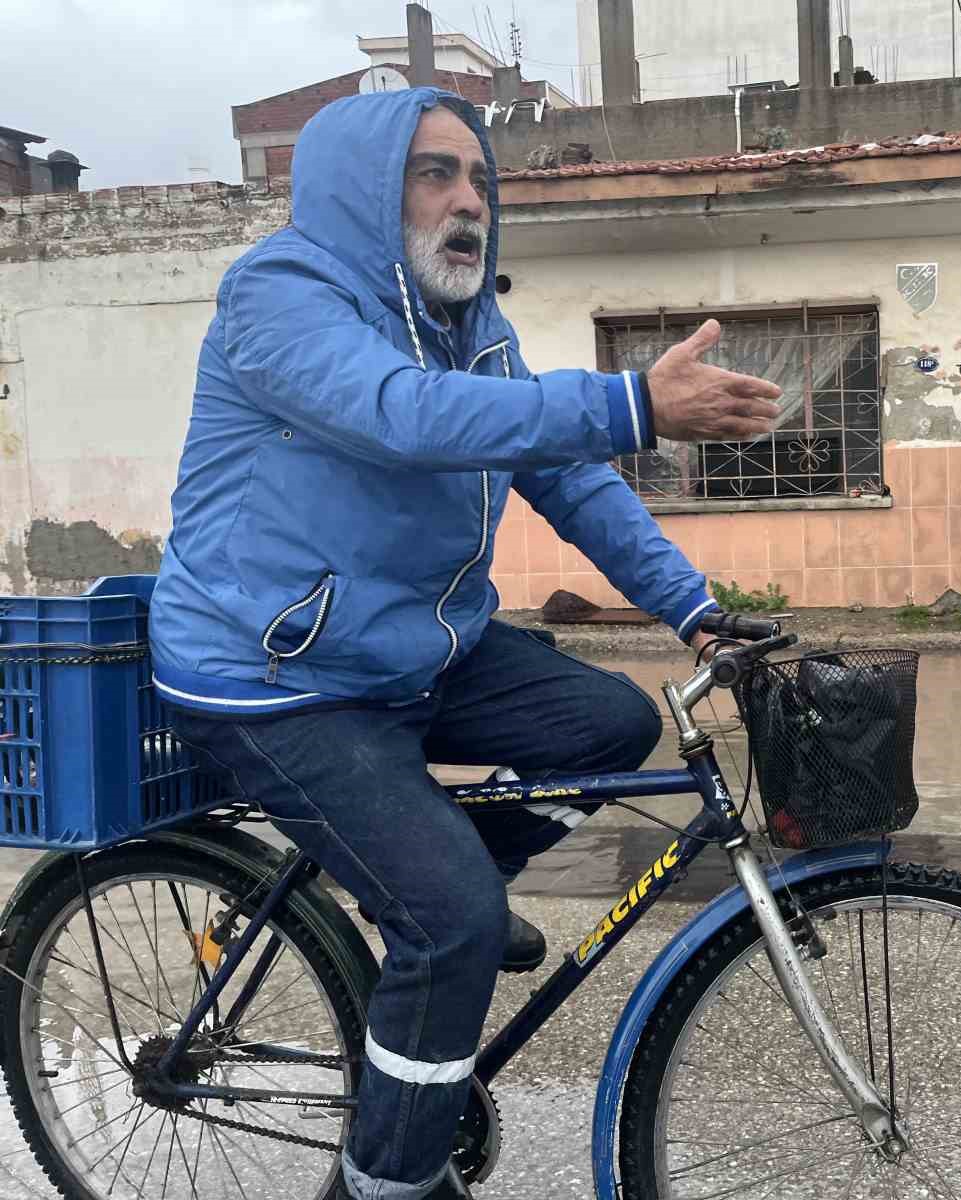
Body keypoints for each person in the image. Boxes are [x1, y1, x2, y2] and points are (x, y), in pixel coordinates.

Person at [148, 89, 781, 1200]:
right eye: (434, 174)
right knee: (451, 922)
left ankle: (443, 904)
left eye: (479, 179)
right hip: (272, 673)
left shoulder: (470, 324)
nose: (467, 202)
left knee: (612, 722)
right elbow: (404, 416)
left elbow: (566, 474)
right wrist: (632, 399)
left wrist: (695, 608)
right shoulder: (280, 296)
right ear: (364, 188)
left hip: (413, 648)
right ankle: (388, 1179)